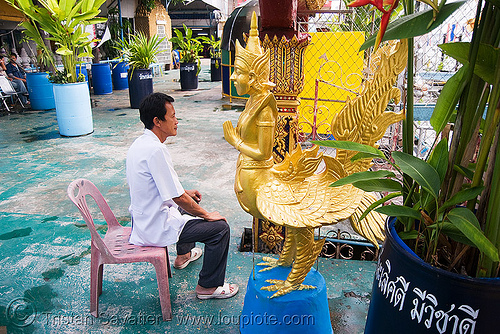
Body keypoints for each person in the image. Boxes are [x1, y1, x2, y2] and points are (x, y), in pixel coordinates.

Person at [126, 92, 238, 300]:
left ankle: (183, 255)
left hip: (143, 219)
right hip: (154, 226)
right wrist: (207, 215)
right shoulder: (155, 150)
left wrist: (185, 193)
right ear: (157, 121)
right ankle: (208, 286)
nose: (177, 121)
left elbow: (163, 188)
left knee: (188, 200)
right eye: (173, 116)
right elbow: (176, 197)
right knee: (220, 229)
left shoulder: (140, 144)